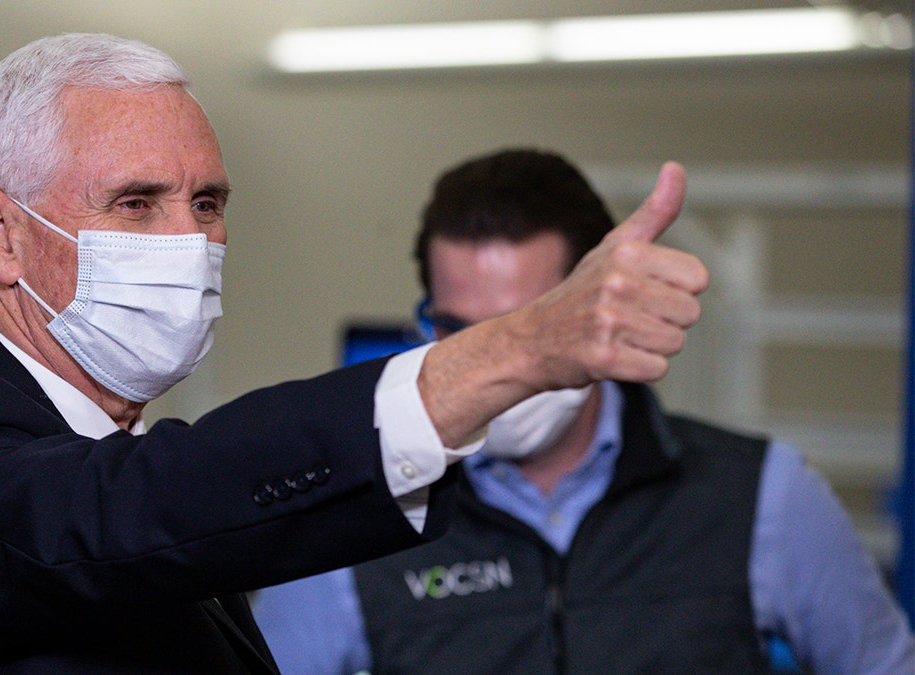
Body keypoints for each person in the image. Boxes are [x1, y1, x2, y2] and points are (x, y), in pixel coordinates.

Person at [0, 35, 709, 673]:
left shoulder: (144, 495)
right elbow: (121, 513)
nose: (189, 242)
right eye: (137, 204)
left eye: (208, 204)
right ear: (0, 235)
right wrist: (517, 347)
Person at [250, 148, 915, 674]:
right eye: (460, 328)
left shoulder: (761, 495)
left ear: (601, 311)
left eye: (530, 324)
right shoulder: (359, 528)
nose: (498, 359)